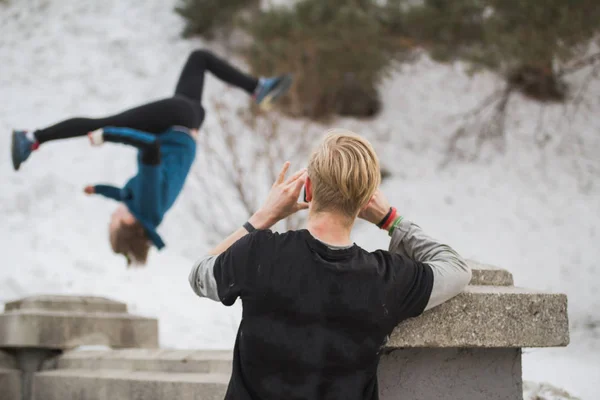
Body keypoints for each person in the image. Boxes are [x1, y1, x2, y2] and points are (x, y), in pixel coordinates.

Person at [189, 129, 472, 400]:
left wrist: (262, 217)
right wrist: (390, 219)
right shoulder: (386, 278)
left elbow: (199, 274)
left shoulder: (258, 252)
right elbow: (457, 269)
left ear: (308, 189)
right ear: (365, 201)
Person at [10, 49, 293, 266]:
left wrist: (97, 190)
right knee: (100, 124)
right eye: (113, 222)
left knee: (199, 59)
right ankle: (33, 139)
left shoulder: (146, 210)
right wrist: (108, 136)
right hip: (174, 124)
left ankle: (258, 88)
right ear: (128, 224)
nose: (111, 217)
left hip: (186, 123)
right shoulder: (146, 201)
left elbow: (121, 194)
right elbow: (150, 149)